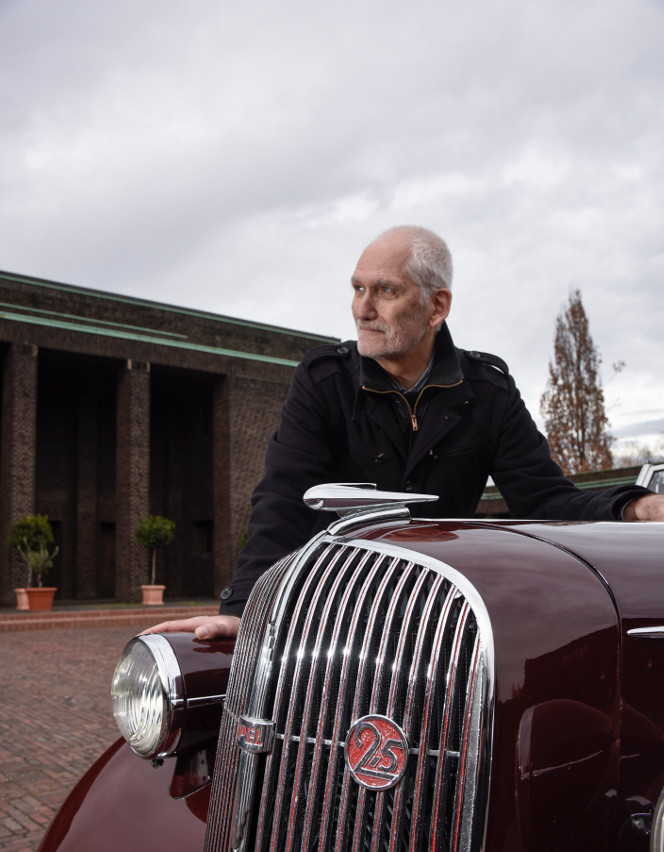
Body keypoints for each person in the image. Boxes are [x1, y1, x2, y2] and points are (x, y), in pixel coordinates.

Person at [146, 225, 664, 641]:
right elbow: (282, 498)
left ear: (436, 306)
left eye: (385, 291)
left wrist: (636, 507)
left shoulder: (488, 390)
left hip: (442, 620)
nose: (362, 309)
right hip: (335, 619)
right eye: (357, 288)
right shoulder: (323, 380)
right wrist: (243, 610)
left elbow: (548, 499)